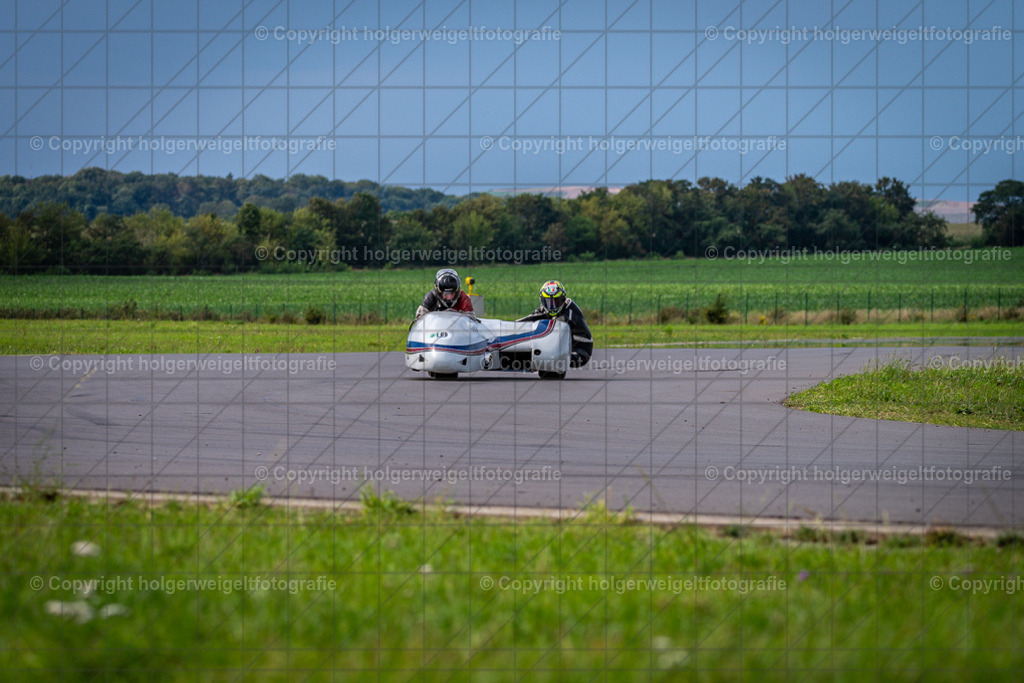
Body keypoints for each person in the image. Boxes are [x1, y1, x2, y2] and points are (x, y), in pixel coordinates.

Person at [518, 280, 592, 367]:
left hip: (580, 352)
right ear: (542, 301)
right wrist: (515, 325)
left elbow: (547, 323)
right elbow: (532, 317)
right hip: (565, 348)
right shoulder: (544, 309)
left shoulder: (570, 313)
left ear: (563, 300)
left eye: (556, 301)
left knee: (548, 330)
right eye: (548, 302)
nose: (552, 306)